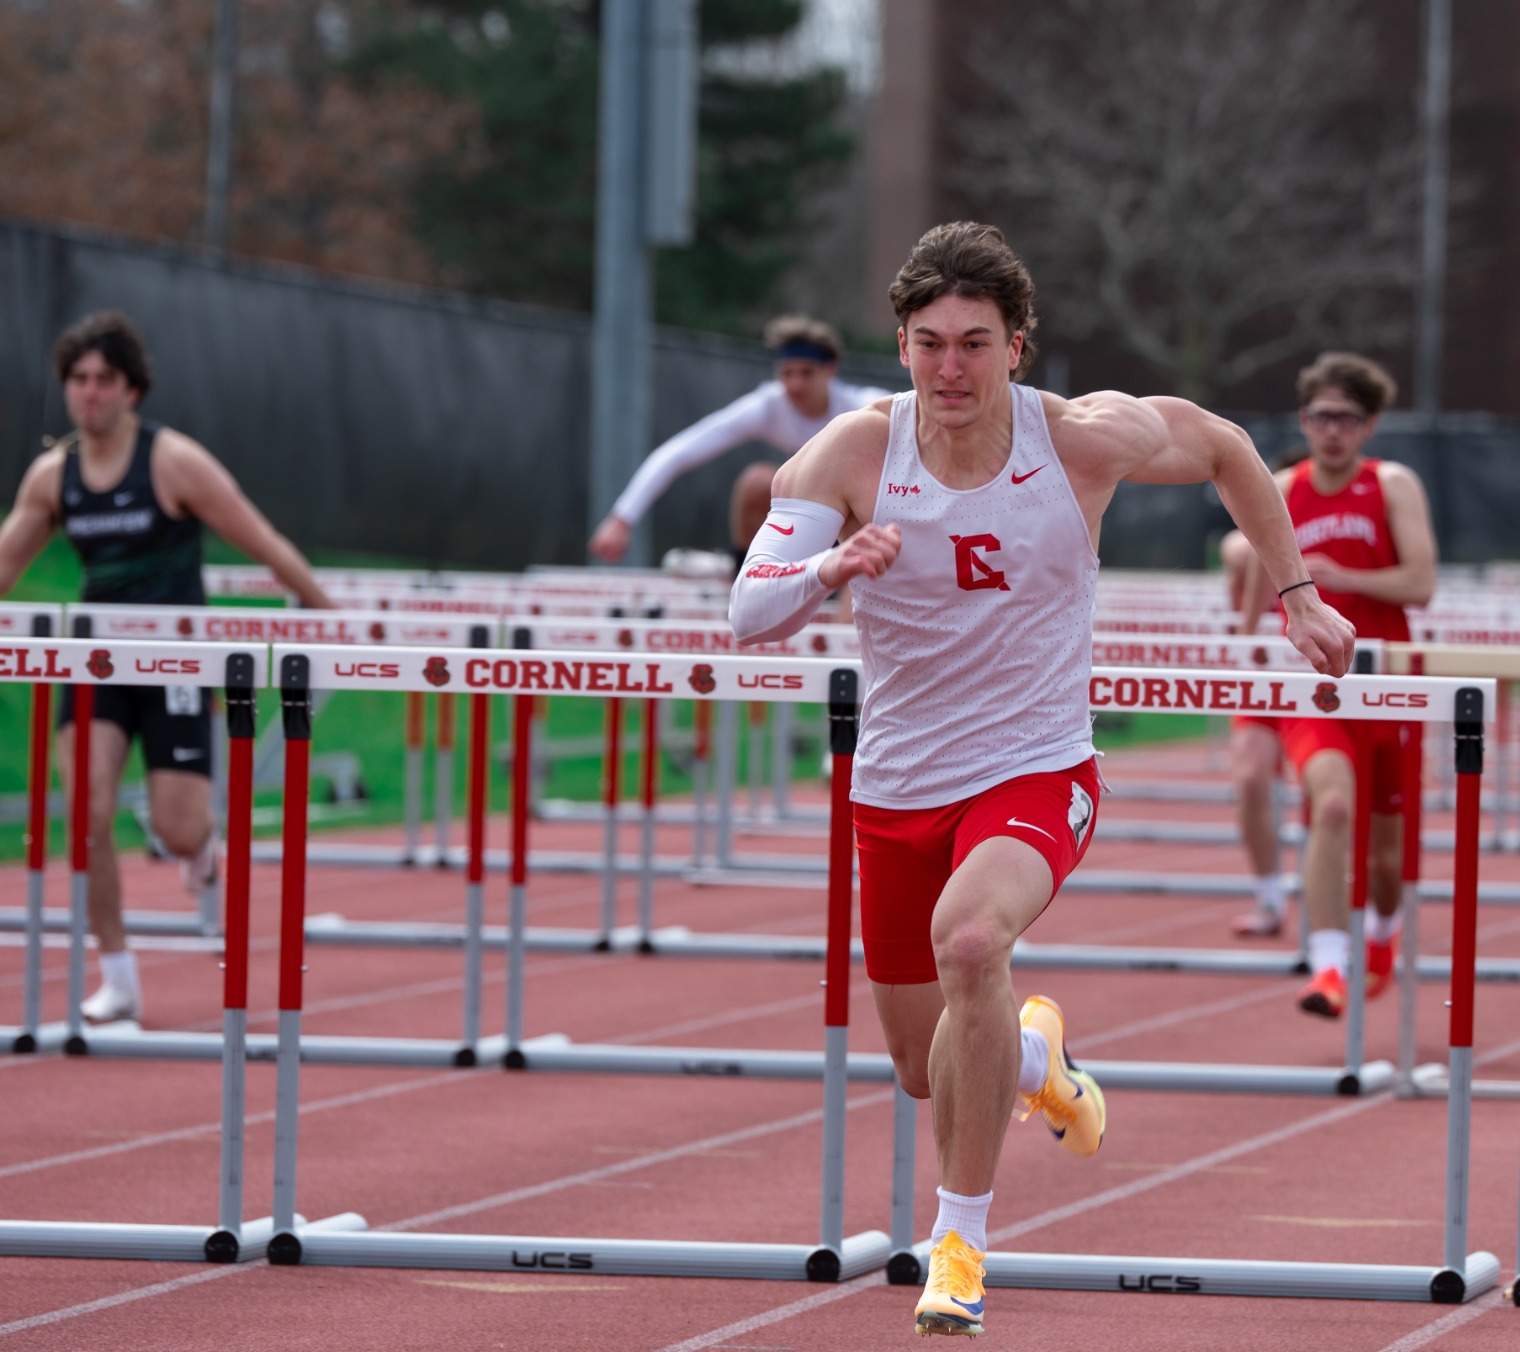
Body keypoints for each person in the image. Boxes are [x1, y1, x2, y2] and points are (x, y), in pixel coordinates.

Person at [728, 222, 1354, 1337]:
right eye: (928, 344)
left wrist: (1296, 591)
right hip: (896, 785)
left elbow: (1223, 447)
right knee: (929, 1069)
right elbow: (748, 614)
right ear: (903, 344)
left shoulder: (1077, 439)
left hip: (1034, 767)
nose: (950, 369)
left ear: (1018, 345)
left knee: (971, 942)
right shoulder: (849, 455)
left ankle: (957, 1242)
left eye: (975, 343)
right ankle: (1030, 1049)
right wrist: (831, 565)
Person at [0, 312, 333, 1024]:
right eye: (78, 381)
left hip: (177, 659)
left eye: (104, 381)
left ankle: (200, 850)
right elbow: (5, 561)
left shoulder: (173, 461)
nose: (89, 394)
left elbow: (261, 537)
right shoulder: (52, 477)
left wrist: (324, 613)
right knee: (86, 813)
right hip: (96, 662)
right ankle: (117, 975)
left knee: (178, 828)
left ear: (133, 390)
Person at [1228, 353, 1437, 1022]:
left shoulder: (1392, 484)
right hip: (1315, 687)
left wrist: (1337, 577)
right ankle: (1326, 967)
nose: (1332, 431)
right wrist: (1246, 644)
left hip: (1390, 685)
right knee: (1333, 806)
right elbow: (1253, 589)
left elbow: (1420, 584)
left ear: (1369, 425)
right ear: (1304, 420)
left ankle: (1380, 938)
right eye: (1321, 417)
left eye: (1346, 419)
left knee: (1385, 859)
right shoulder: (1282, 488)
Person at [588, 315, 894, 565]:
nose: (795, 384)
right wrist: (622, 519)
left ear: (830, 370)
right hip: (807, 526)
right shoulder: (768, 406)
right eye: (787, 373)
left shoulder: (863, 407)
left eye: (806, 373)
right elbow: (682, 450)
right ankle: (748, 580)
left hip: (859, 528)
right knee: (757, 482)